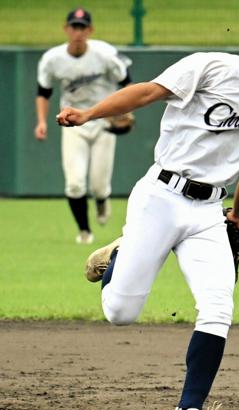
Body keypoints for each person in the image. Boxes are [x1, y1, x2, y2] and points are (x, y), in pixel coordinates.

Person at [56, 13, 239, 410]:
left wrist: (238, 214)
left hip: (208, 212)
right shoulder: (211, 67)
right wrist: (90, 114)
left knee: (219, 307)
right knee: (120, 313)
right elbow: (147, 92)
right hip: (160, 198)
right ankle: (121, 253)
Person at [35, 7, 132, 244]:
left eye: (82, 27)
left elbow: (126, 82)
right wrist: (41, 121)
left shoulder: (105, 54)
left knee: (99, 185)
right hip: (73, 122)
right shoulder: (52, 59)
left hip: (103, 120)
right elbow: (43, 92)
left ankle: (101, 199)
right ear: (66, 29)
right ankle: (85, 232)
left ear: (90, 30)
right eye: (74, 27)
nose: (78, 32)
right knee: (75, 182)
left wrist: (127, 113)